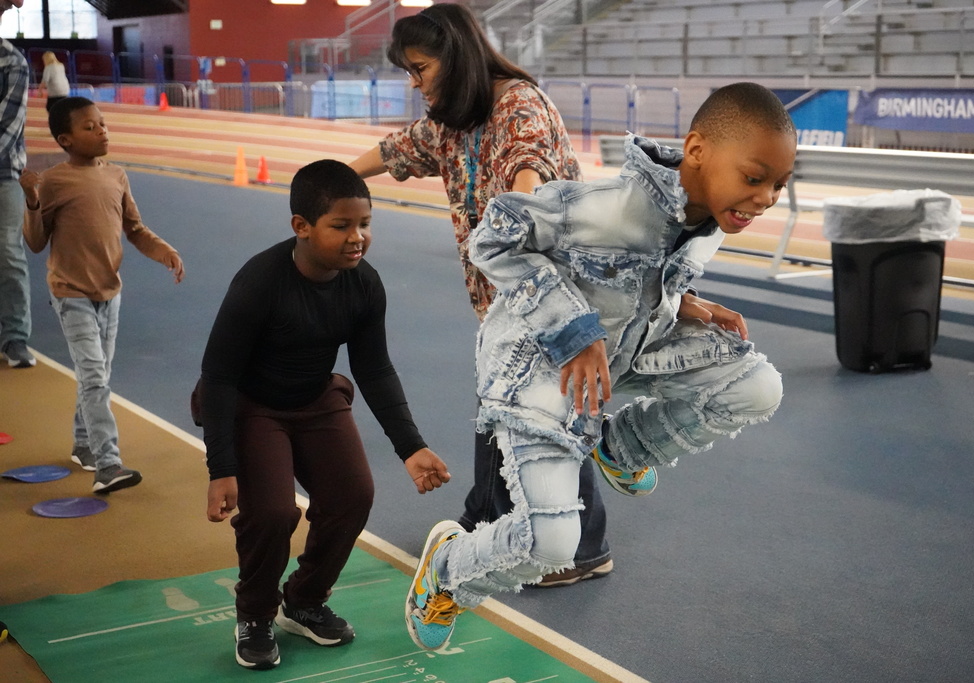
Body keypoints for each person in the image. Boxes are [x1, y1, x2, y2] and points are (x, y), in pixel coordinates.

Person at [403, 82, 796, 652]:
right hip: (537, 367)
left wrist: (684, 304)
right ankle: (449, 570)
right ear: (697, 151)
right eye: (755, 178)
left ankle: (621, 449)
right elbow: (495, 236)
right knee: (554, 545)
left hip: (623, 353)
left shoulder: (708, 213)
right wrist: (576, 330)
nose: (765, 198)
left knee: (756, 386)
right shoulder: (609, 208)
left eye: (779, 185)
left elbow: (627, 278)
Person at [349, 1, 613, 588]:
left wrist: (519, 213)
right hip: (503, 301)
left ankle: (580, 549)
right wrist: (335, 176)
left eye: (420, 68)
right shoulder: (452, 118)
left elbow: (530, 173)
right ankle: (490, 516)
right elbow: (401, 148)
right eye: (407, 73)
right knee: (508, 410)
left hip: (552, 295)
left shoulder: (519, 105)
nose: (415, 83)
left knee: (544, 418)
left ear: (457, 57)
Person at [196, 159, 452, 671]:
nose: (358, 237)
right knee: (270, 513)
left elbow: (374, 368)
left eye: (364, 224)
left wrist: (411, 446)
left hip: (315, 399)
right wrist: (221, 468)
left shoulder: (362, 284)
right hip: (252, 405)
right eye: (342, 226)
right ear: (302, 227)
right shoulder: (260, 282)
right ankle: (254, 614)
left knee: (353, 495)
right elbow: (219, 376)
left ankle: (305, 600)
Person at [20, 96, 185, 492]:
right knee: (94, 377)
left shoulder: (117, 176)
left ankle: (83, 444)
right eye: (89, 127)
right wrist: (31, 200)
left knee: (98, 375)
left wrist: (163, 250)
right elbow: (36, 241)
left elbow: (135, 229)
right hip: (70, 292)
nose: (101, 130)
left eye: (102, 123)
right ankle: (108, 464)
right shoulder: (56, 181)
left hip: (110, 292)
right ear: (66, 139)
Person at [0, 0, 35, 369]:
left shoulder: (12, 62)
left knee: (7, 252)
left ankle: (14, 338)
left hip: (2, 174)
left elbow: (7, 127)